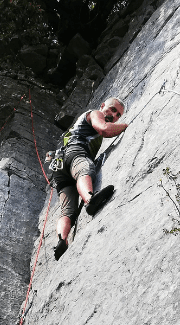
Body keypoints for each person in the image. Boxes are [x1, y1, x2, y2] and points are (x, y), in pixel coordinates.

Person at [51, 98, 128, 260]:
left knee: (67, 210)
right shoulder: (95, 114)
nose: (113, 116)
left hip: (60, 166)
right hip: (75, 151)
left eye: (118, 115)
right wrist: (125, 126)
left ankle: (61, 240)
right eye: (112, 109)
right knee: (85, 169)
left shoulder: (90, 119)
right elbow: (104, 129)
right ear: (102, 106)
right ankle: (90, 200)